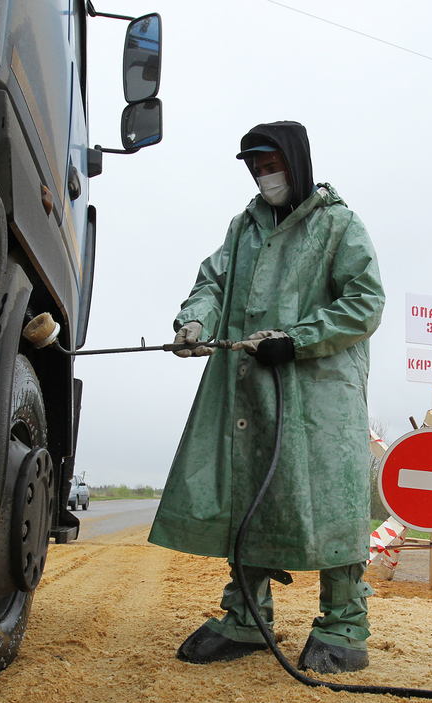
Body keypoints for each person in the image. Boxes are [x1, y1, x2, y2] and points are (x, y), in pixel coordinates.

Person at [149, 121, 385, 674]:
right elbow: (212, 281)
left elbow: (365, 301)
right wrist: (194, 321)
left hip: (322, 393)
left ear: (295, 161)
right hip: (251, 387)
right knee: (248, 494)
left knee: (332, 498)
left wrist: (296, 340)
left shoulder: (338, 224)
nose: (262, 175)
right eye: (254, 167)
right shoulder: (244, 228)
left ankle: (344, 626)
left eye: (270, 164)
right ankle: (247, 619)